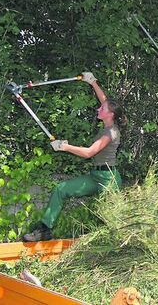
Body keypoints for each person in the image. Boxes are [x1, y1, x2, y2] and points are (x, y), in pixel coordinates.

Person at [23, 72, 125, 242]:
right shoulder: (109, 119)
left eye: (102, 109)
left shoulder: (111, 133)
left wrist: (65, 147)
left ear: (110, 114)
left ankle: (119, 243)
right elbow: (104, 100)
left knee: (110, 218)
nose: (99, 108)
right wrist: (93, 82)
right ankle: (45, 229)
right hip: (95, 175)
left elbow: (89, 153)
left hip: (109, 179)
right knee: (61, 189)